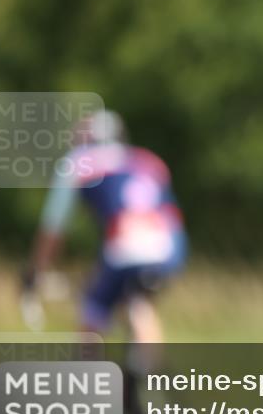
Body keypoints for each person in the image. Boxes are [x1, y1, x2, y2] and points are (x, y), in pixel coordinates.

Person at [22, 109, 187, 343]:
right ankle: (151, 369)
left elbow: (53, 230)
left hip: (126, 245)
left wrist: (35, 271)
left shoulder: (78, 165)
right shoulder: (148, 160)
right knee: (139, 302)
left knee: (93, 309)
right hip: (170, 245)